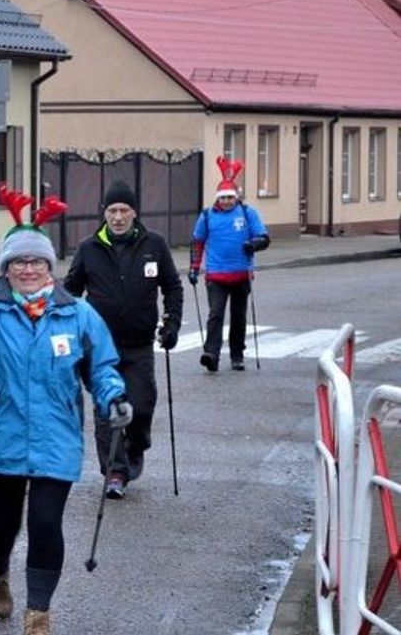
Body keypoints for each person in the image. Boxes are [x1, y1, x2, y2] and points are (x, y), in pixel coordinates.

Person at [0, 192, 130, 635]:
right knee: (2, 526)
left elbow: (102, 366)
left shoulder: (77, 314)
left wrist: (113, 397)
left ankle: (39, 612)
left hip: (56, 436)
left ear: (51, 267)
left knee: (44, 522)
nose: (29, 270)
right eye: (19, 263)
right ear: (7, 269)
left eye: (37, 262)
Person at [63, 180, 183, 500]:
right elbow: (71, 291)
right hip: (100, 349)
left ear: (134, 212)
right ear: (104, 213)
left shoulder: (153, 245)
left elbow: (172, 287)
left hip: (139, 343)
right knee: (107, 411)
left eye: (123, 210)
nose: (117, 217)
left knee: (141, 406)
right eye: (112, 210)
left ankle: (136, 446)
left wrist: (171, 324)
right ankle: (115, 472)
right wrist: (68, 326)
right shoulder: (89, 248)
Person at [188, 157, 269, 372]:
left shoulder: (247, 213)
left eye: (229, 198)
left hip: (241, 274)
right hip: (216, 275)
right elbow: (198, 242)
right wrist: (194, 268)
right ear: (217, 198)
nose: (226, 201)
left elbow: (263, 236)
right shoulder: (207, 216)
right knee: (215, 314)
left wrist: (255, 244)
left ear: (236, 198)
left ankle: (237, 355)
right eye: (222, 198)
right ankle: (211, 354)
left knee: (238, 316)